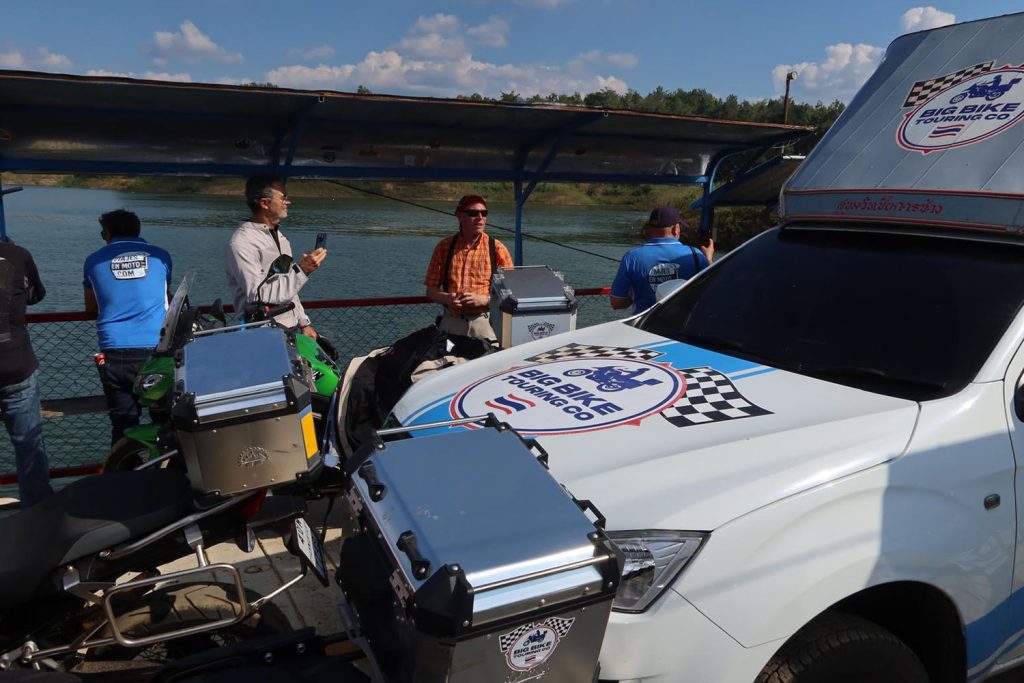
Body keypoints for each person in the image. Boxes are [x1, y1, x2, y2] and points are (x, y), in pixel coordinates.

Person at [84, 209, 172, 445]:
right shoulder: (161, 256)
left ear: (108, 233)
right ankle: (165, 473)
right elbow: (167, 297)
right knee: (165, 421)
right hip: (155, 350)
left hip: (115, 351)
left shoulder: (93, 261)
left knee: (123, 424)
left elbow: (90, 307)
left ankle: (122, 472)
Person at [224, 174, 326, 339]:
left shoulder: (281, 239)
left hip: (288, 331)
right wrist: (303, 271)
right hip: (260, 334)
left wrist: (303, 322)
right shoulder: (242, 242)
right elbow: (257, 295)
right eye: (283, 198)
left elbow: (289, 286)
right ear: (265, 203)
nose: (288, 202)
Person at [0, 239, 52, 506]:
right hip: (15, 365)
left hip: (16, 367)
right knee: (29, 445)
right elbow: (36, 294)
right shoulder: (18, 255)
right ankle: (40, 515)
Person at [424, 195, 513, 343]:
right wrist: (447, 298)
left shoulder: (497, 248)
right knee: (449, 365)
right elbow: (431, 291)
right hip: (451, 323)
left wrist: (485, 300)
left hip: (485, 324)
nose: (479, 217)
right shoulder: (443, 247)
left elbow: (511, 293)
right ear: (459, 216)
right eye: (473, 213)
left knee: (487, 365)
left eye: (484, 213)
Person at [610, 205, 714, 314]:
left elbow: (616, 302)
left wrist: (635, 296)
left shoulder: (631, 257)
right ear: (675, 229)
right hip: (683, 327)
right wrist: (708, 260)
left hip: (644, 328)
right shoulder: (696, 255)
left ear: (649, 229)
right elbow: (712, 291)